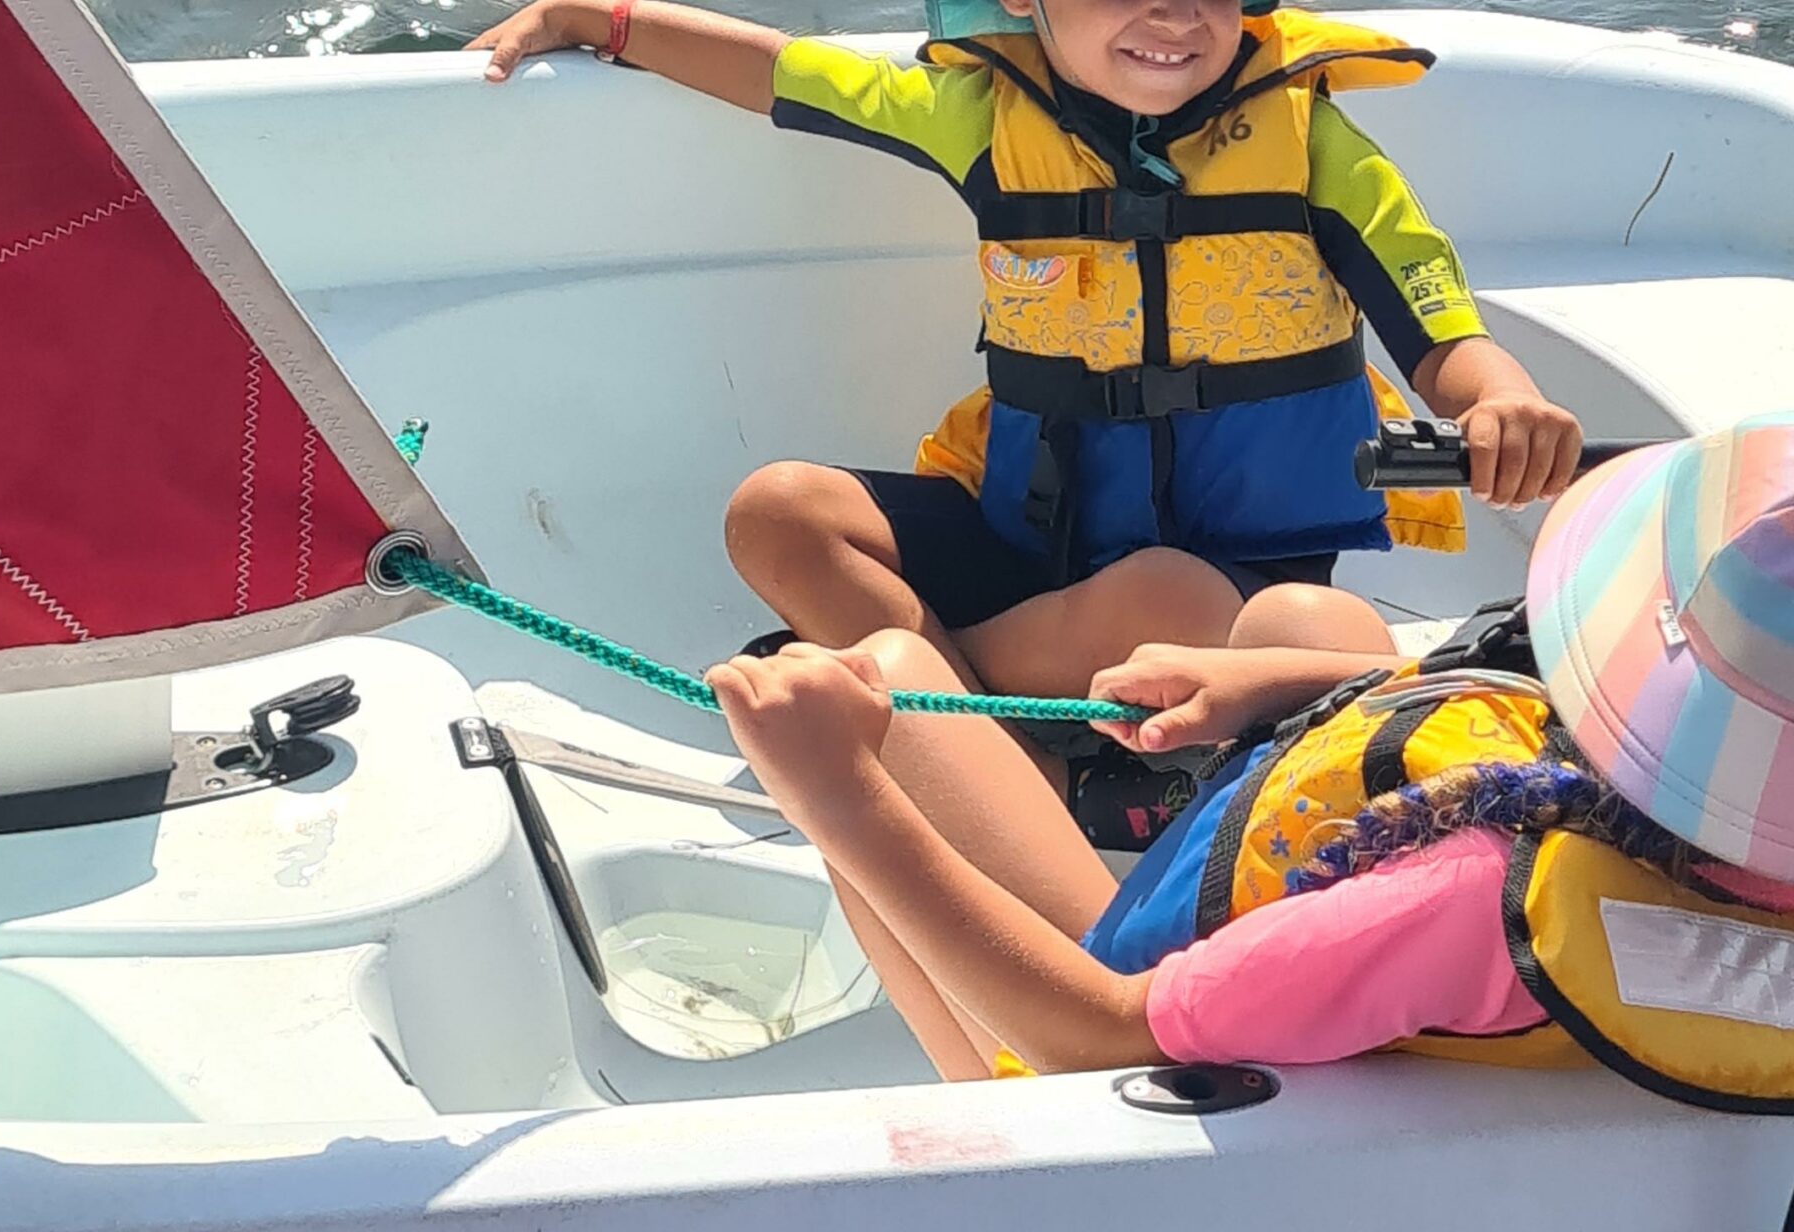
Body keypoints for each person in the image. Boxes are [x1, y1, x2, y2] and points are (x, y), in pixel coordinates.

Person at [472, 0, 1581, 706]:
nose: (1178, 11)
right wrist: (598, 18)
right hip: (1024, 544)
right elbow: (785, 75)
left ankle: (925, 702)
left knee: (1199, 602)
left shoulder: (1310, 141)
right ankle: (978, 717)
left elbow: (1429, 307)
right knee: (778, 513)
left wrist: (1498, 397)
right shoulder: (976, 116)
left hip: (1224, 593)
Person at [704, 417, 1794, 1104]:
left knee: (894, 686)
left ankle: (966, 1031)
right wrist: (1273, 684)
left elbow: (1094, 1041)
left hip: (1098, 1063)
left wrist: (839, 794)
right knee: (1305, 622)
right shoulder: (1723, 853)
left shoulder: (1471, 895)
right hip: (1357, 997)